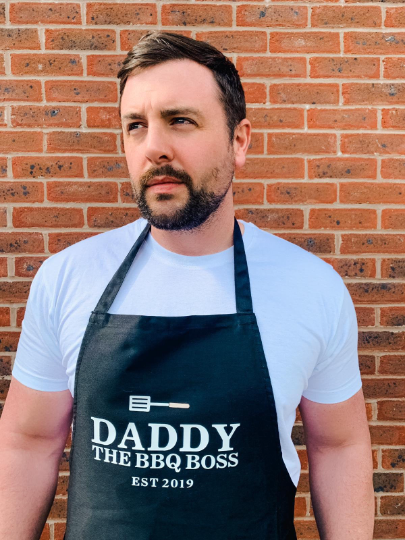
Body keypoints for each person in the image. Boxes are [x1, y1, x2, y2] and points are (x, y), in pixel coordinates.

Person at [0, 31, 374, 539]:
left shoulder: (310, 288)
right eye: (136, 126)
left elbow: (339, 446)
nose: (154, 147)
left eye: (180, 120)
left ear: (238, 141)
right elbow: (28, 441)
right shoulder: (68, 277)